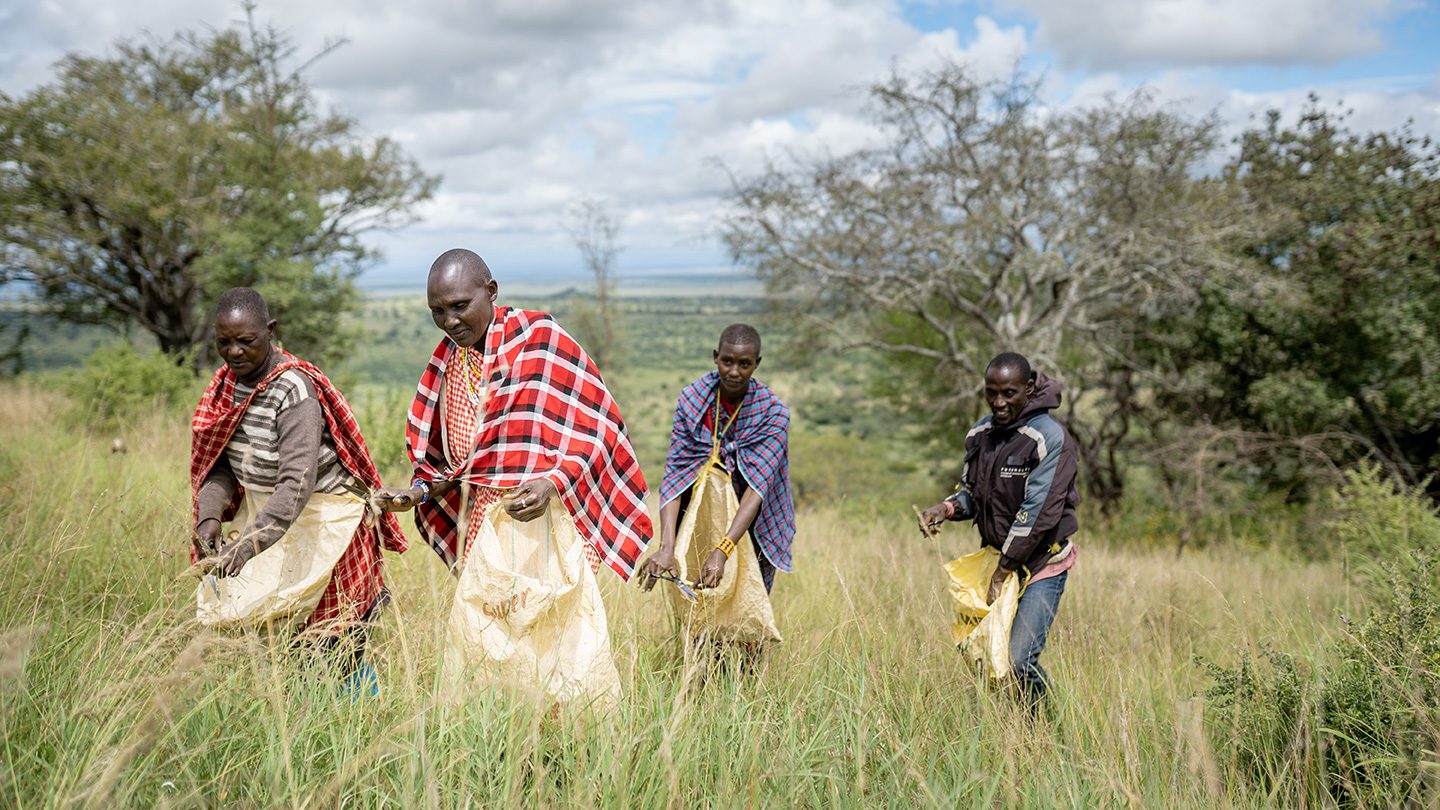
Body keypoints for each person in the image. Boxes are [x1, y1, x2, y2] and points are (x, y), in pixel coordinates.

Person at [376, 249, 652, 703]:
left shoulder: (540, 338)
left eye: (459, 306)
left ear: (491, 292)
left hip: (546, 523)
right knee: (489, 648)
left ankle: (575, 754)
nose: (448, 321)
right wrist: (420, 491)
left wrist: (553, 480)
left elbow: (597, 426)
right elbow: (461, 462)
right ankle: (504, 755)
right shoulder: (447, 360)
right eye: (437, 312)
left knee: (563, 646)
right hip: (486, 526)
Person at [190, 288, 407, 693]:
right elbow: (218, 466)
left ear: (270, 331)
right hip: (271, 520)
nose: (234, 352)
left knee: (334, 644)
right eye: (224, 342)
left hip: (327, 522)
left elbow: (296, 484)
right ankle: (307, 732)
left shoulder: (293, 390)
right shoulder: (225, 386)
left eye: (246, 341)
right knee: (282, 645)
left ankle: (364, 727)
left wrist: (248, 546)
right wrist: (209, 518)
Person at [919, 352, 1080, 707]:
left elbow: (1038, 514)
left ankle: (1045, 728)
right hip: (997, 561)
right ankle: (1013, 732)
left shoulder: (1049, 439)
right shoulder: (981, 433)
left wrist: (1005, 568)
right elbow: (973, 495)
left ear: (1029, 387)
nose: (999, 402)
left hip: (1041, 564)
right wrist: (946, 508)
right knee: (984, 655)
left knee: (1020, 661)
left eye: (1008, 393)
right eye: (991, 393)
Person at [640, 324, 795, 600]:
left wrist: (723, 550)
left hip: (755, 521)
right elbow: (675, 476)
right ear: (715, 357)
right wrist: (666, 547)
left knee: (749, 604)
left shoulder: (773, 413)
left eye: (744, 364)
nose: (734, 372)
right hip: (701, 510)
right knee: (695, 602)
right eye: (727, 361)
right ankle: (698, 644)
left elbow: (757, 490)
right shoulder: (692, 400)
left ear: (757, 364)